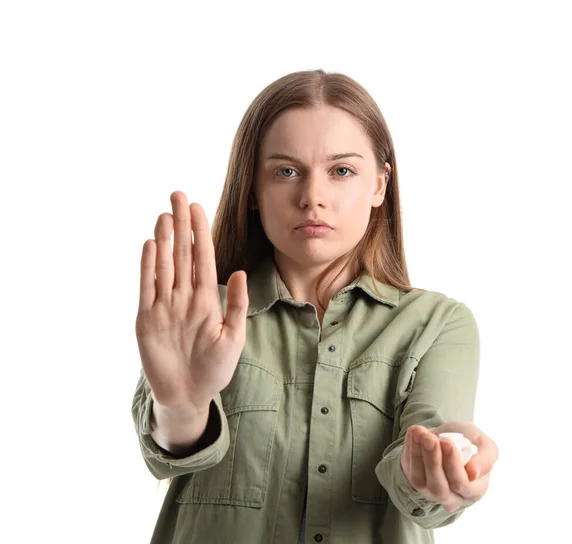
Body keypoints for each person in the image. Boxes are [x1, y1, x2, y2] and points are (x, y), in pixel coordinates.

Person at [131, 68, 499, 543]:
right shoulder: (200, 316)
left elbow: (431, 443)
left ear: (379, 185)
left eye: (341, 170)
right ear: (253, 191)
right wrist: (180, 404)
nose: (312, 198)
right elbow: (168, 451)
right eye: (285, 171)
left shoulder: (437, 324)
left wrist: (441, 465)